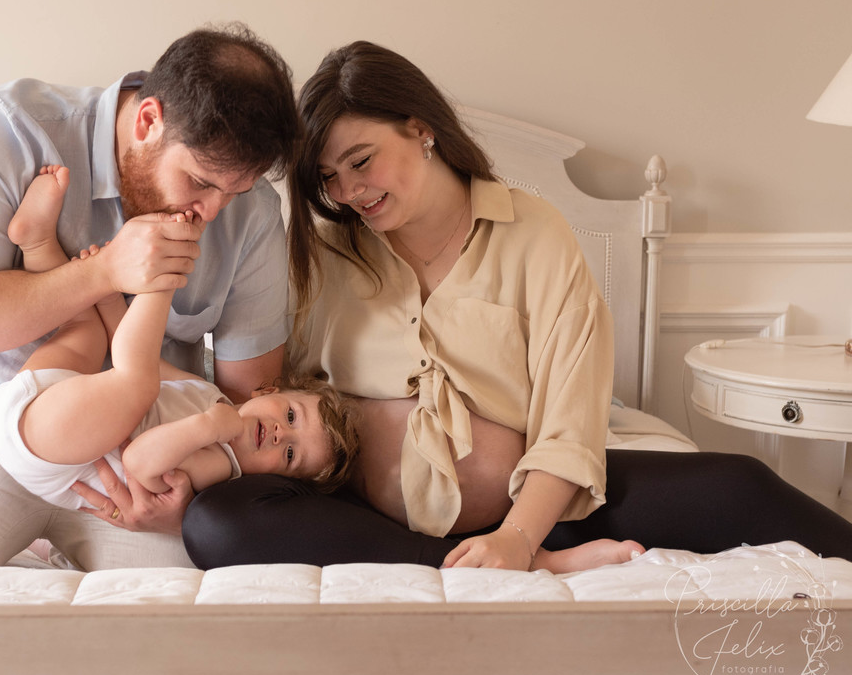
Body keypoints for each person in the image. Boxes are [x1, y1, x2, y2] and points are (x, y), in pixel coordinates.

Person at [183, 40, 852, 570]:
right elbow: (276, 399)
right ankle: (475, 565)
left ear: (420, 128)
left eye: (362, 161)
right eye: (329, 177)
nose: (349, 191)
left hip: (533, 509)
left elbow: (570, 421)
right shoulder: (325, 252)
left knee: (742, 484)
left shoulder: (534, 233)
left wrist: (516, 535)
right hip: (363, 518)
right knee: (215, 522)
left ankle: (515, 552)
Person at [0, 23, 298, 570]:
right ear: (148, 121)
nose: (213, 212)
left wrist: (187, 504)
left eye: (234, 191)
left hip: (150, 454)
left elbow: (247, 399)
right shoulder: (8, 130)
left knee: (218, 594)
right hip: (0, 418)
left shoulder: (254, 215)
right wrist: (104, 271)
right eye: (201, 182)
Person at [0, 166, 357, 512]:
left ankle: (169, 268)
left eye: (290, 454)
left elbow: (138, 461)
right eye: (291, 416)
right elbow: (151, 364)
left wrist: (208, 427)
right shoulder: (213, 397)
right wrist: (109, 299)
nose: (280, 434)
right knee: (85, 330)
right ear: (268, 392)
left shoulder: (220, 465)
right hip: (39, 400)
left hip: (50, 450)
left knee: (137, 381)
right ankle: (36, 243)